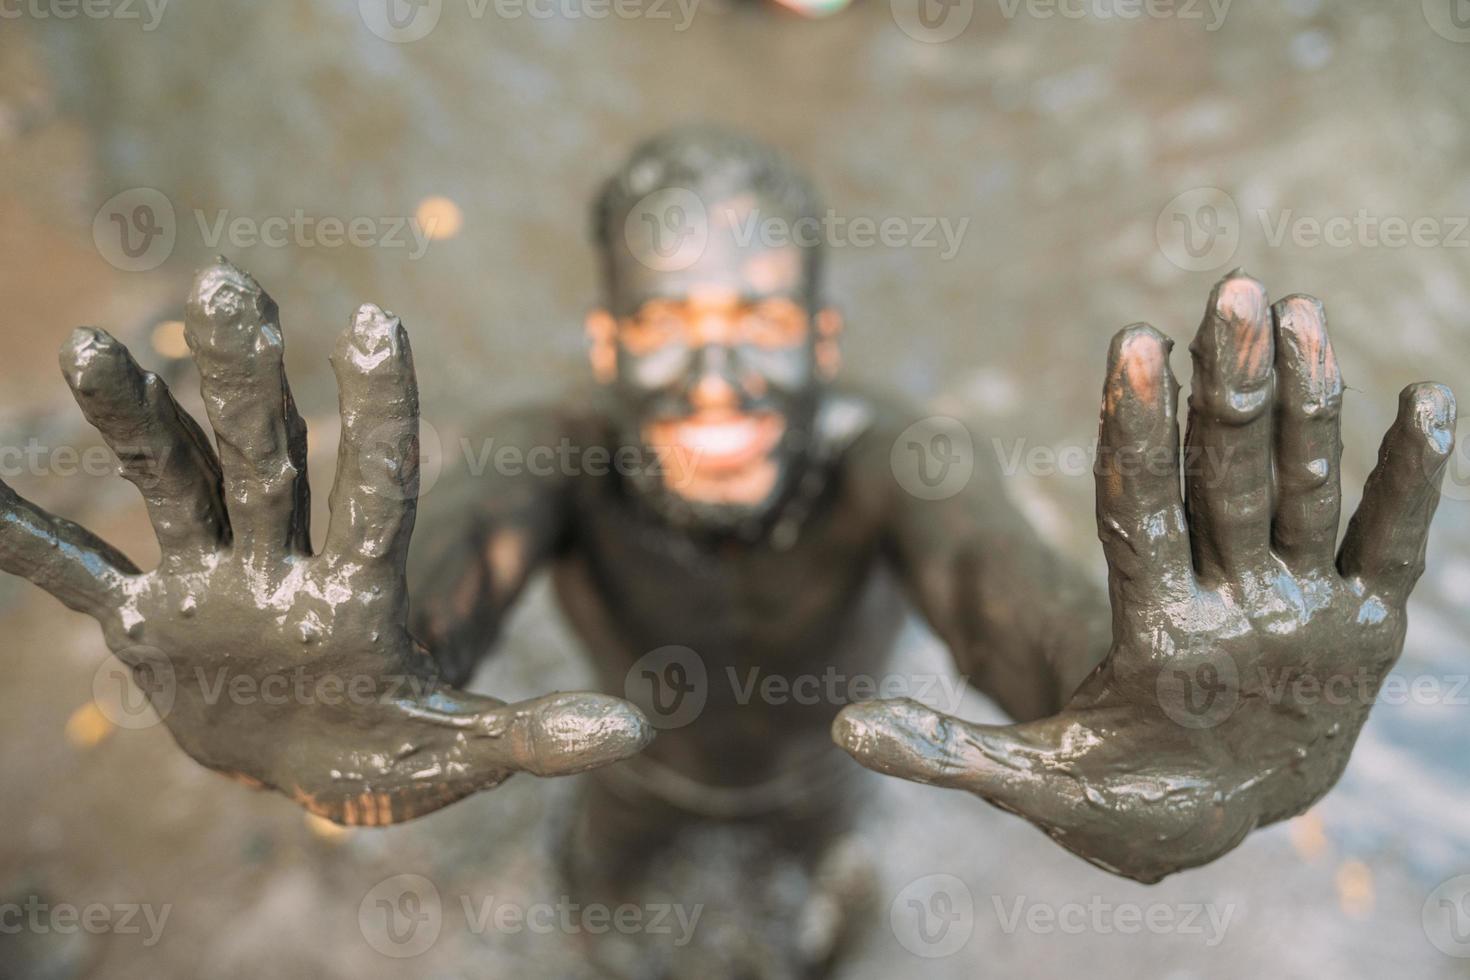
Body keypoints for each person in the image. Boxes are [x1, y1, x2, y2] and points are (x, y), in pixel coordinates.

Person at [0, 126, 1455, 976]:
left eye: (756, 328)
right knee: (607, 929)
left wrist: (1146, 705)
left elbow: (1012, 616)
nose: (716, 379)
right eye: (672, 333)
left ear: (816, 338)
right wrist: (357, 683)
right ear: (609, 341)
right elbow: (442, 588)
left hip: (820, 789)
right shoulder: (544, 451)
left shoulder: (887, 454)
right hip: (618, 779)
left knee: (821, 932)